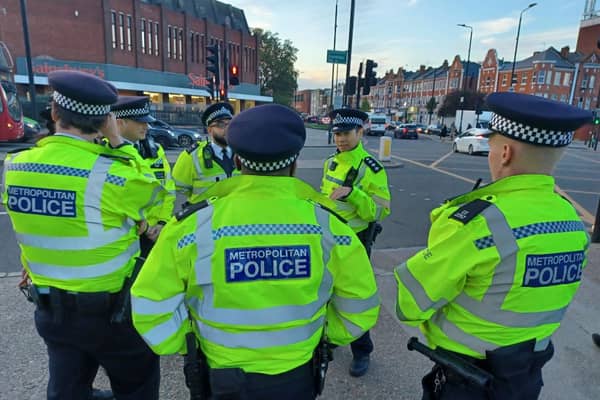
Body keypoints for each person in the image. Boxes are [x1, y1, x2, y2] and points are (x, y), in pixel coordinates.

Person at [131, 104, 380, 400]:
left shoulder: (190, 227)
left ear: (237, 160)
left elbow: (149, 307)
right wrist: (323, 337)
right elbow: (360, 307)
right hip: (296, 376)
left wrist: (192, 342)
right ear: (295, 163)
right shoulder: (331, 228)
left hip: (221, 377)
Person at [394, 92, 592, 400]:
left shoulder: (479, 223)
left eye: (492, 143)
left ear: (505, 153)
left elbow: (410, 302)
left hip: (467, 378)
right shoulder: (571, 220)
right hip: (526, 375)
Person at [2, 70, 162, 400]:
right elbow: (155, 196)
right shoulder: (113, 174)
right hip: (111, 313)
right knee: (136, 386)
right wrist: (120, 143)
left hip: (51, 307)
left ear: (55, 113)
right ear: (106, 121)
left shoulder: (15, 165)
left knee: (67, 389)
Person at [320, 107, 391, 378]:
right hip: (329, 236)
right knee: (325, 291)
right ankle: (331, 340)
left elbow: (380, 210)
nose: (341, 139)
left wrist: (353, 193)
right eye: (337, 133)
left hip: (355, 241)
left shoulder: (370, 167)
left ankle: (363, 350)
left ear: (360, 132)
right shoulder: (330, 162)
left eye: (347, 133)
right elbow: (327, 197)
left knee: (353, 297)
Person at [110, 96, 176, 257]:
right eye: (140, 122)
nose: (146, 126)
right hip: (123, 236)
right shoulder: (105, 152)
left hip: (155, 234)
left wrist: (162, 222)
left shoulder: (155, 149)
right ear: (120, 122)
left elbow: (167, 189)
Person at [172, 102, 238, 204]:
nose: (227, 128)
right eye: (221, 124)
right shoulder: (191, 156)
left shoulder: (243, 154)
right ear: (209, 130)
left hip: (235, 216)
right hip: (206, 216)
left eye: (230, 123)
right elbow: (180, 188)